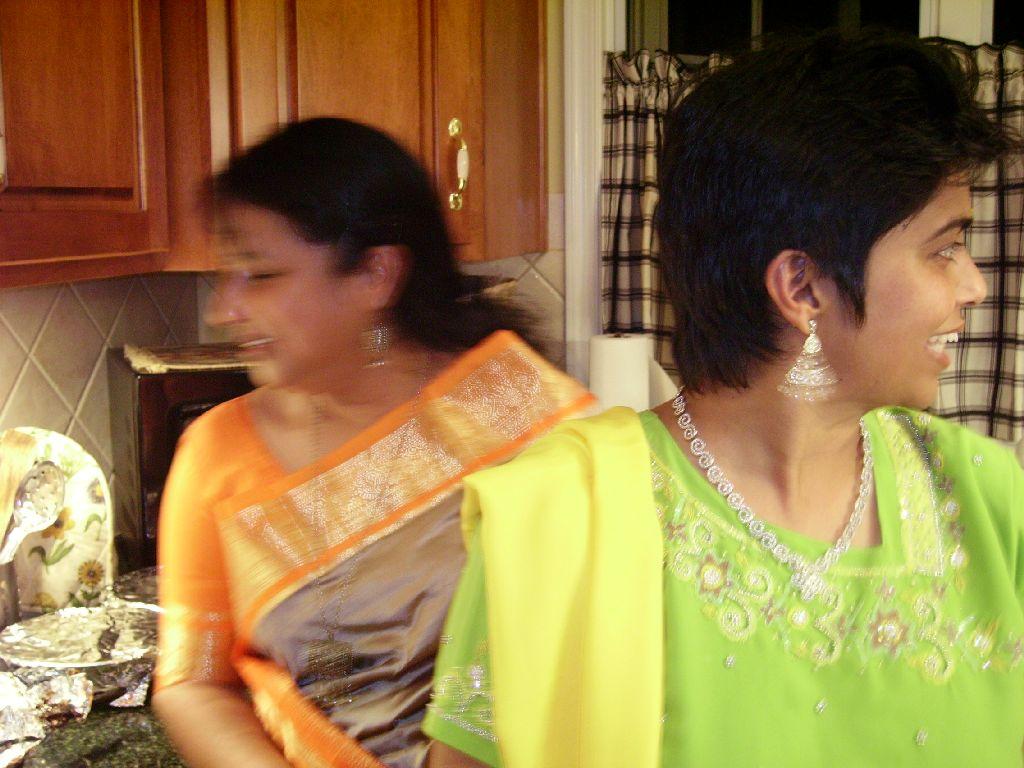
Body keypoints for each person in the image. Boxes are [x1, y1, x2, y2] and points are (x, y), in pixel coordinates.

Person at [424, 30, 1024, 768]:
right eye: (944, 249)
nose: (974, 286)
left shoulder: (988, 500)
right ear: (802, 287)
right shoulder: (556, 518)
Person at [151, 118, 593, 768]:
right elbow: (193, 682)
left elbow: (597, 656)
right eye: (227, 274)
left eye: (260, 274)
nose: (223, 310)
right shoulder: (216, 451)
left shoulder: (515, 412)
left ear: (376, 275)